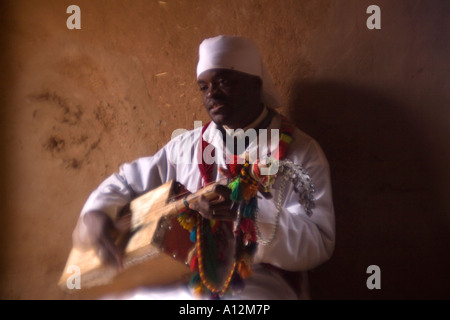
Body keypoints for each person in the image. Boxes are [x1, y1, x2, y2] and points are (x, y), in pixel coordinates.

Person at [72, 35, 335, 300]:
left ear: (256, 84)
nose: (212, 94)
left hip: (257, 281)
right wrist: (96, 213)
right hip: (185, 274)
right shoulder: (186, 146)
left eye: (223, 82)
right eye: (203, 87)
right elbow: (126, 182)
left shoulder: (300, 153)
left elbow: (318, 241)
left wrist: (243, 217)